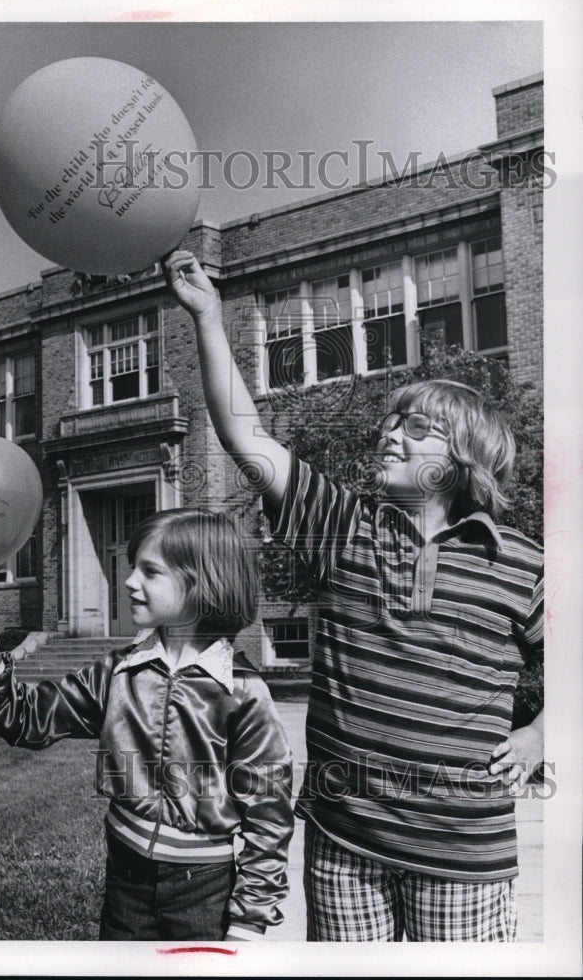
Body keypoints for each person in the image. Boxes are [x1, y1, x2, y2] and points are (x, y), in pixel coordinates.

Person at [163, 249, 544, 943]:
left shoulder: (518, 562)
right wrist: (210, 318)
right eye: (389, 424)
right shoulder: (342, 526)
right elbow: (242, 434)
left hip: (461, 857)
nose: (388, 433)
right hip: (345, 848)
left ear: (465, 459)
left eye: (415, 428)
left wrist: (543, 732)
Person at [0, 507, 294, 942]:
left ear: (201, 583)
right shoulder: (118, 673)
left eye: (150, 572)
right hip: (125, 883)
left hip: (203, 893)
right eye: (133, 568)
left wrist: (247, 924)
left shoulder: (242, 692)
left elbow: (270, 818)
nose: (129, 581)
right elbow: (21, 719)